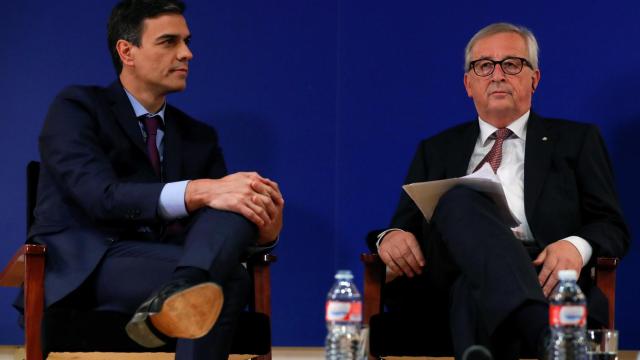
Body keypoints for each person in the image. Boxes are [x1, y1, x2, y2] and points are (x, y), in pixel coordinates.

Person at [24, 0, 284, 359]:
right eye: (169, 42)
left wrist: (263, 235)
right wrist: (199, 190)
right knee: (226, 274)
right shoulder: (77, 108)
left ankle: (183, 286)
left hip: (171, 262)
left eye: (187, 41)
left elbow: (216, 228)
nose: (187, 53)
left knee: (236, 195)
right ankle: (187, 283)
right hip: (90, 268)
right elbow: (101, 197)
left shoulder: (199, 137)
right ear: (127, 51)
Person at [372, 22, 629, 359]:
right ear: (468, 83)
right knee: (461, 198)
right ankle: (544, 332)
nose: (497, 75)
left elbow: (612, 227)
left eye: (511, 64)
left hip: (538, 271)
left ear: (534, 78)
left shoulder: (577, 141)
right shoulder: (436, 150)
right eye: (484, 66)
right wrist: (389, 236)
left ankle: (527, 331)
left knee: (471, 289)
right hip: (448, 272)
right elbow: (404, 225)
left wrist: (574, 246)